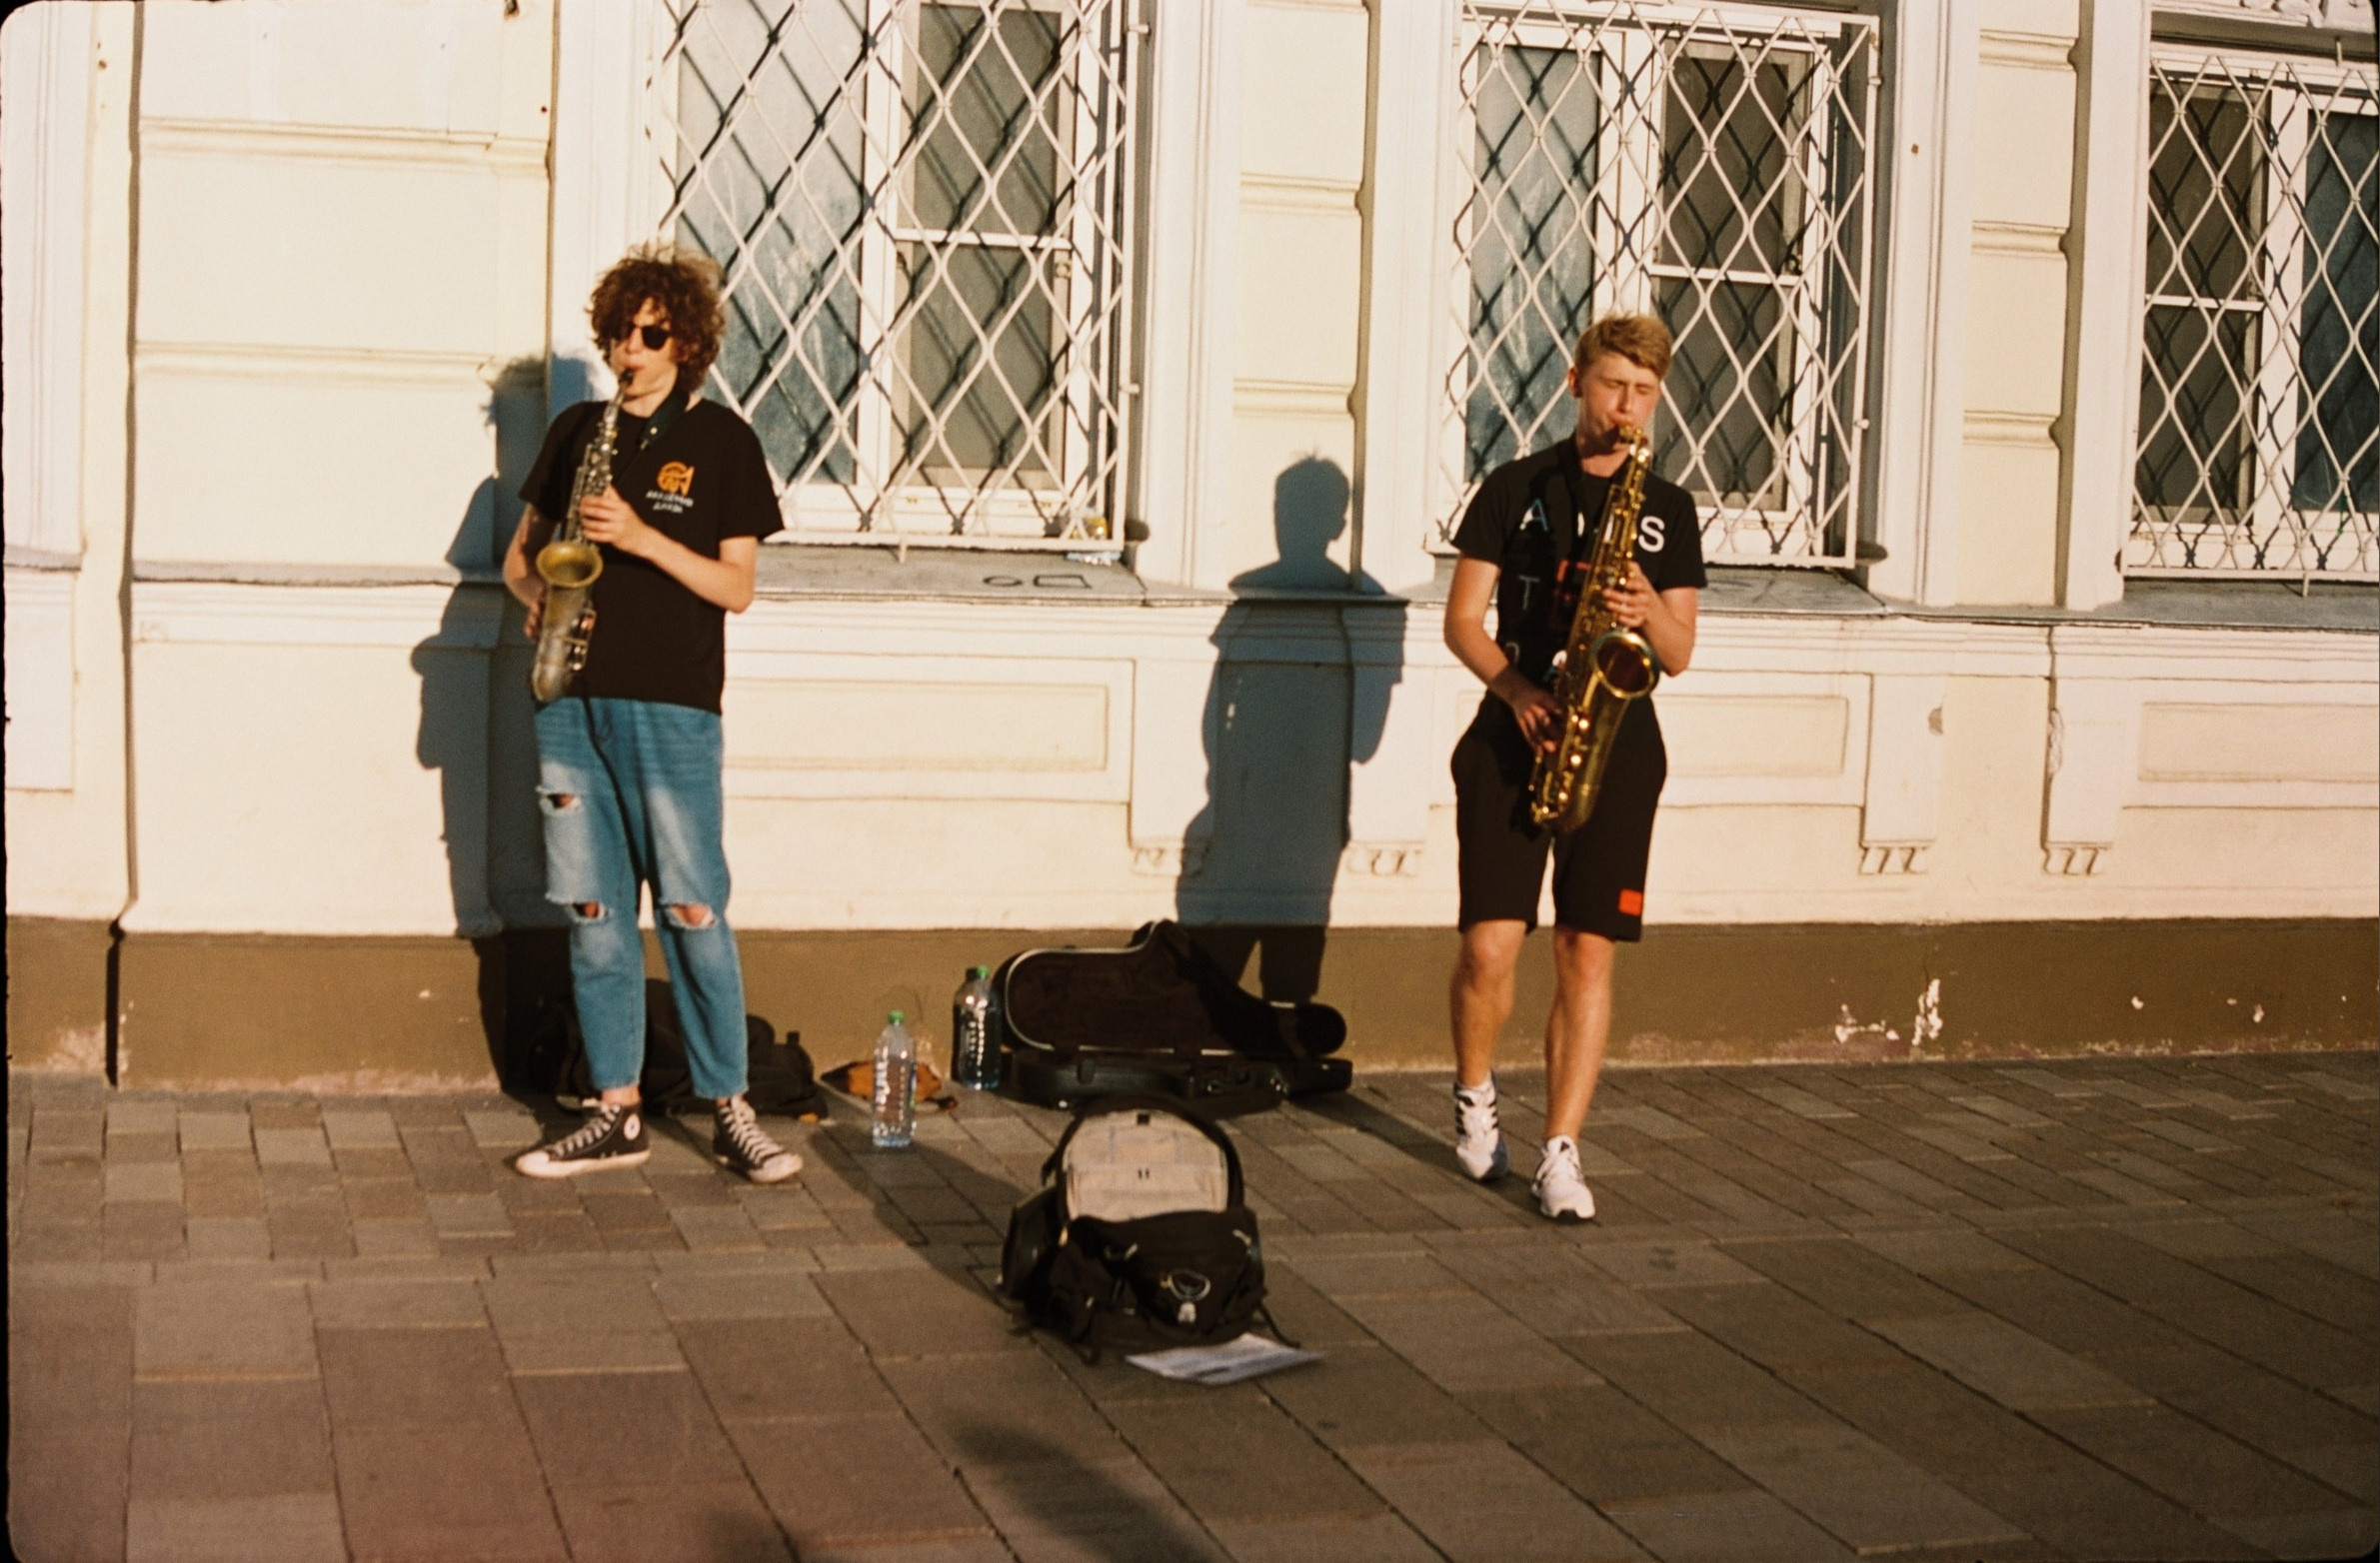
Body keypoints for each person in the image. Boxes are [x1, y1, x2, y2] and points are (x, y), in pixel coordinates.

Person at [503, 243, 801, 1184]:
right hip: (569, 699)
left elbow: (737, 586)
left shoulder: (723, 442)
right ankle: (617, 1108)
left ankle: (730, 1108)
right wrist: (537, 600)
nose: (627, 351)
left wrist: (639, 536)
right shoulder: (575, 431)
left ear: (687, 341)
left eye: (649, 335)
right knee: (592, 910)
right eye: (616, 334)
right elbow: (520, 556)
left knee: (691, 907)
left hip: (671, 706)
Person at [1441, 314, 1705, 1220]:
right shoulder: (1513, 487)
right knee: (1488, 945)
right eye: (1611, 385)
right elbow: (1462, 622)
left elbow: (1677, 653)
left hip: (1618, 741)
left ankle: (1560, 1152)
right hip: (1517, 730)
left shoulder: (1664, 508)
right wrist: (1516, 693)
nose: (1626, 405)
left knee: (1584, 950)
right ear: (1574, 382)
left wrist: (1643, 605)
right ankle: (1476, 1097)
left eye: (1643, 391)